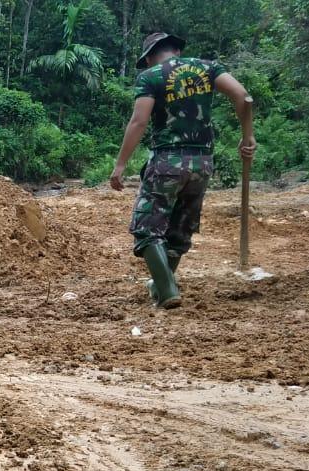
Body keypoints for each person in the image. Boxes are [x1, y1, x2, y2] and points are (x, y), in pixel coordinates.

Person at [109, 32, 256, 309]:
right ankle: (161, 283)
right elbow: (243, 97)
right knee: (180, 227)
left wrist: (120, 164)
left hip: (167, 161)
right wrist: (247, 136)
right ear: (176, 49)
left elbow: (139, 121)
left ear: (151, 56)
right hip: (203, 162)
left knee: (146, 227)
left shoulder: (151, 76)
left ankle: (167, 291)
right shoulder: (209, 67)